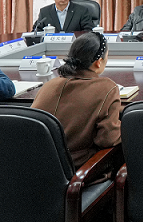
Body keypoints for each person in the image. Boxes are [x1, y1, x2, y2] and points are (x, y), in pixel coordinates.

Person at [31, 32, 121, 167]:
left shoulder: (49, 85)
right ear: (98, 62)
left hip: (36, 166)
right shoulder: (107, 88)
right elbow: (108, 139)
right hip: (76, 170)